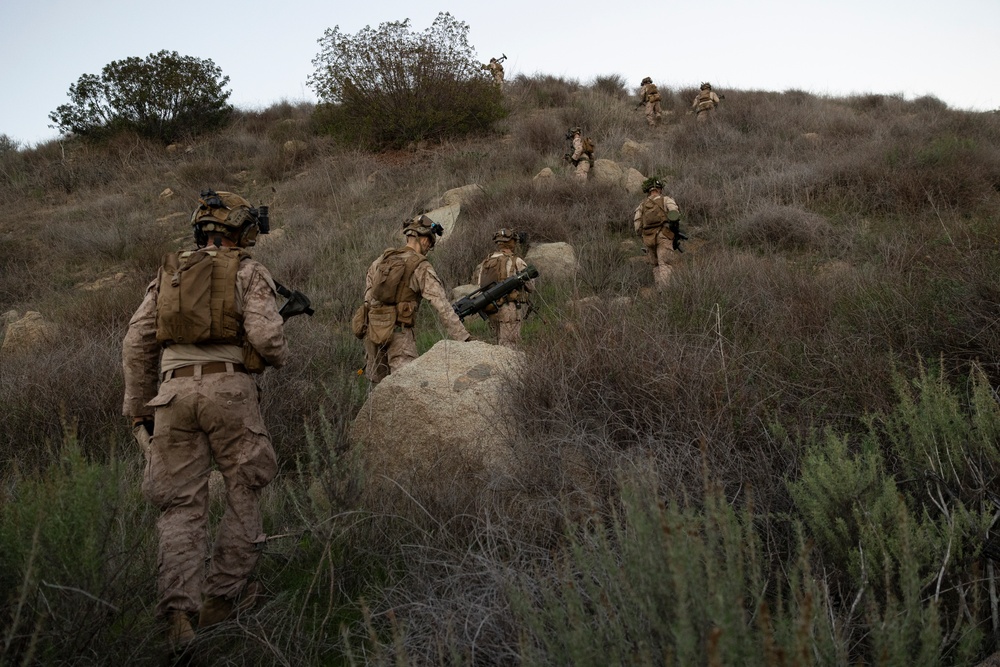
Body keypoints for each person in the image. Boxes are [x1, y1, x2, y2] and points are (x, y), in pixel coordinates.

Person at [122, 190, 288, 651]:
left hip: (171, 394)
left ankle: (178, 614)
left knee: (180, 506)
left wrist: (138, 406)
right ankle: (225, 597)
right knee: (244, 486)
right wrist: (277, 355)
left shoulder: (169, 274)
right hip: (229, 391)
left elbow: (136, 342)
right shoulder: (249, 271)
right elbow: (266, 337)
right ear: (242, 231)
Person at [362, 214, 471, 383]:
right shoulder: (421, 266)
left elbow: (368, 297)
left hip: (373, 332)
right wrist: (464, 338)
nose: (429, 248)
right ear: (425, 240)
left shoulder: (381, 260)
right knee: (406, 385)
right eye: (430, 244)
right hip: (399, 335)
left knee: (377, 391)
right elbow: (442, 306)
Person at [473, 229, 535, 347]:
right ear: (512, 243)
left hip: (491, 309)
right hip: (510, 309)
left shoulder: (486, 262)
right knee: (510, 346)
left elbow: (480, 286)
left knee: (497, 346)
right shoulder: (517, 261)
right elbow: (531, 287)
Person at [633, 177, 683, 291]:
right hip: (663, 235)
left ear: (648, 191)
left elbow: (637, 224)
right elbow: (674, 213)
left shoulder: (642, 205)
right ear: (660, 189)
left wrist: (643, 237)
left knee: (655, 265)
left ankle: (659, 289)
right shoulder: (666, 200)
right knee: (664, 263)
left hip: (648, 238)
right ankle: (665, 291)